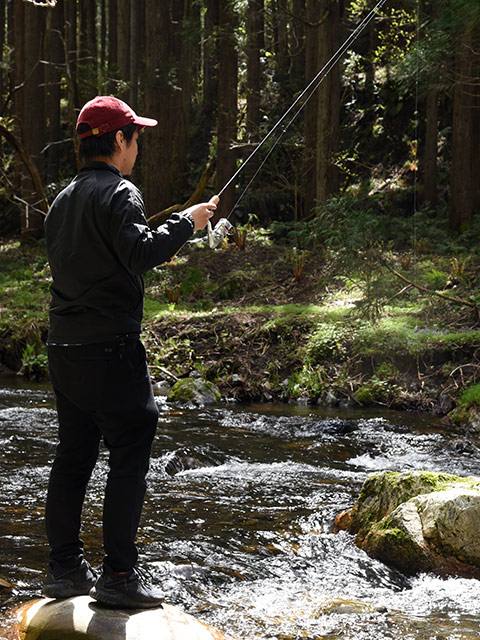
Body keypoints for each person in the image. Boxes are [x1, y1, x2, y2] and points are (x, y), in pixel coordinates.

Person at [42, 95, 218, 609]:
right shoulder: (121, 192)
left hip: (64, 349)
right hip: (109, 350)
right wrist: (188, 223)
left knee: (73, 456)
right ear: (118, 140)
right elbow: (140, 254)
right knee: (130, 449)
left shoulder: (61, 201)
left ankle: (63, 570)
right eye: (135, 137)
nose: (137, 147)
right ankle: (118, 577)